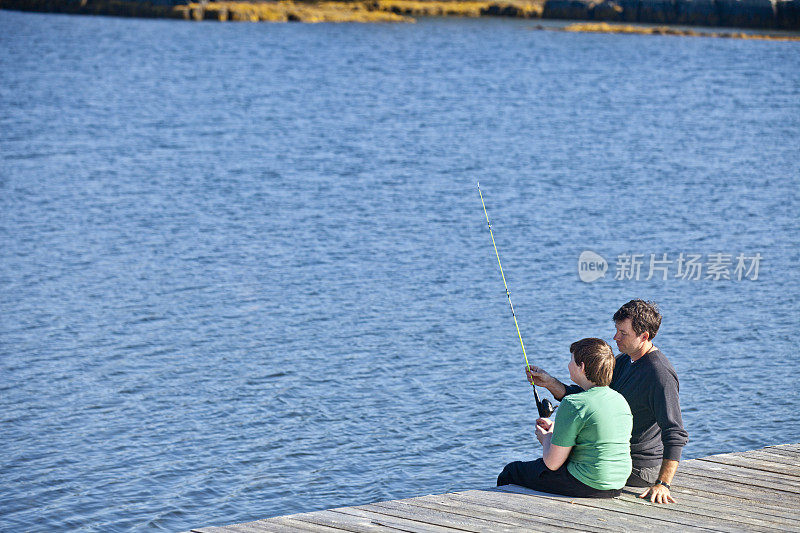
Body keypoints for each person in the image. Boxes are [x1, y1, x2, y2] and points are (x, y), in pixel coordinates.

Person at [528, 300, 689, 504]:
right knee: (554, 453)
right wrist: (550, 383)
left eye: (623, 333)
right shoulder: (625, 360)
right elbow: (592, 398)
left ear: (644, 336)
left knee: (534, 466)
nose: (615, 337)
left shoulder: (660, 374)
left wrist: (663, 484)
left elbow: (675, 433)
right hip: (614, 459)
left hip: (638, 468)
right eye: (616, 330)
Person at [497, 338, 633, 498]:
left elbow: (552, 463)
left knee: (512, 471)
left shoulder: (574, 403)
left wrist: (546, 438)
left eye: (571, 360)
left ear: (581, 367)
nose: (568, 365)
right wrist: (556, 430)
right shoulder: (619, 400)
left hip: (587, 483)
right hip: (617, 484)